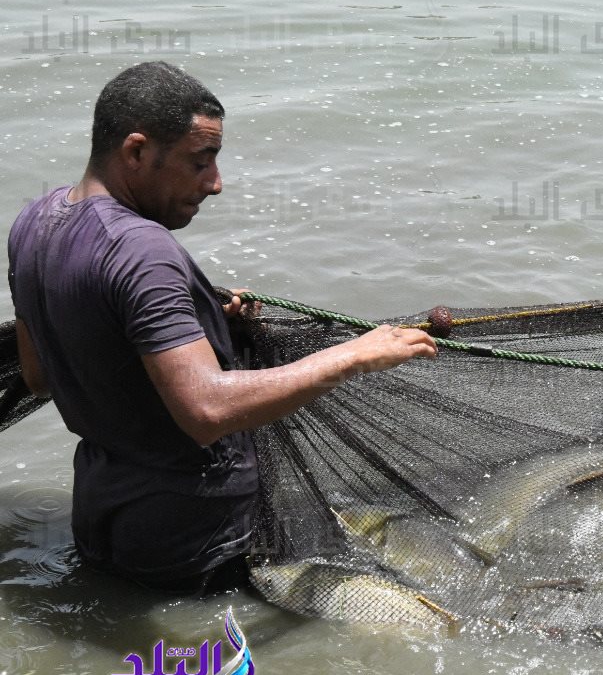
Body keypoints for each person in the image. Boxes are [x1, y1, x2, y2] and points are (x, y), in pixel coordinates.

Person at [7, 61, 438, 594]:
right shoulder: (142, 252)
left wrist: (197, 319)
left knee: (149, 671)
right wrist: (352, 355)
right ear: (137, 151)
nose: (215, 183)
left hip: (103, 522)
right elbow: (208, 410)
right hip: (195, 540)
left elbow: (39, 375)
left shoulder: (34, 222)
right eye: (199, 161)